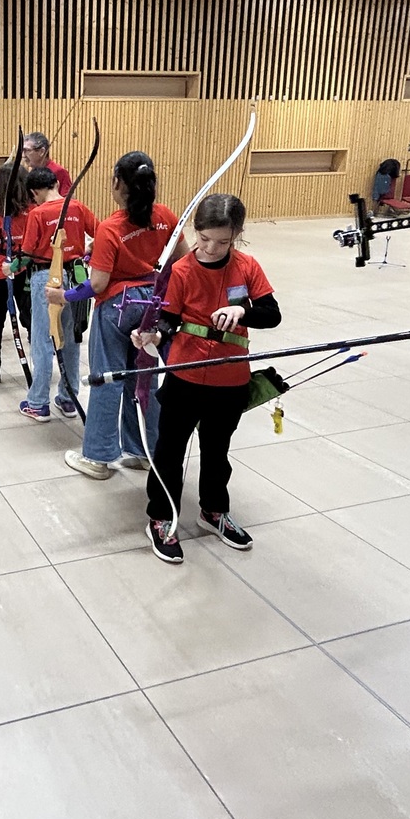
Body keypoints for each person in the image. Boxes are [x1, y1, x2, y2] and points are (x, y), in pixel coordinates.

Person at [128, 195, 278, 562]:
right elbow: (168, 319)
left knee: (217, 451)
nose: (210, 248)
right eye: (204, 238)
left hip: (230, 378)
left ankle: (213, 511)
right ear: (196, 231)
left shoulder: (247, 267)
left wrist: (242, 312)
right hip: (185, 376)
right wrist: (154, 336)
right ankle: (161, 517)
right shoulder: (181, 270)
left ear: (236, 235)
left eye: (222, 242)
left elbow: (271, 314)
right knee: (169, 451)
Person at [59, 152, 177, 479]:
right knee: (143, 378)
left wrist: (64, 295)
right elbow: (180, 262)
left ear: (116, 183)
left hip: (118, 307)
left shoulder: (111, 227)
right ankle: (142, 451)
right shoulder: (165, 216)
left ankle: (97, 458)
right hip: (153, 305)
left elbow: (97, 283)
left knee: (107, 378)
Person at [18, 166, 95, 419]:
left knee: (42, 339)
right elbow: (102, 233)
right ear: (57, 185)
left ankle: (38, 402)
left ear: (35, 192)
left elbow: (28, 252)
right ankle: (68, 398)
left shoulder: (38, 213)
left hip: (47, 277)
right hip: (75, 277)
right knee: (71, 338)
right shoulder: (77, 207)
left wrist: (12, 266)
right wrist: (88, 250)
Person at [0, 161, 33, 385]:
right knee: (30, 316)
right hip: (26, 269)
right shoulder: (33, 212)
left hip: (0, 272)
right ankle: (41, 362)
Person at [23, 131, 71, 196]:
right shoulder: (31, 172)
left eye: (27, 150)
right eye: (23, 151)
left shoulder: (59, 172)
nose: (23, 155)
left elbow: (68, 199)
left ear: (41, 151)